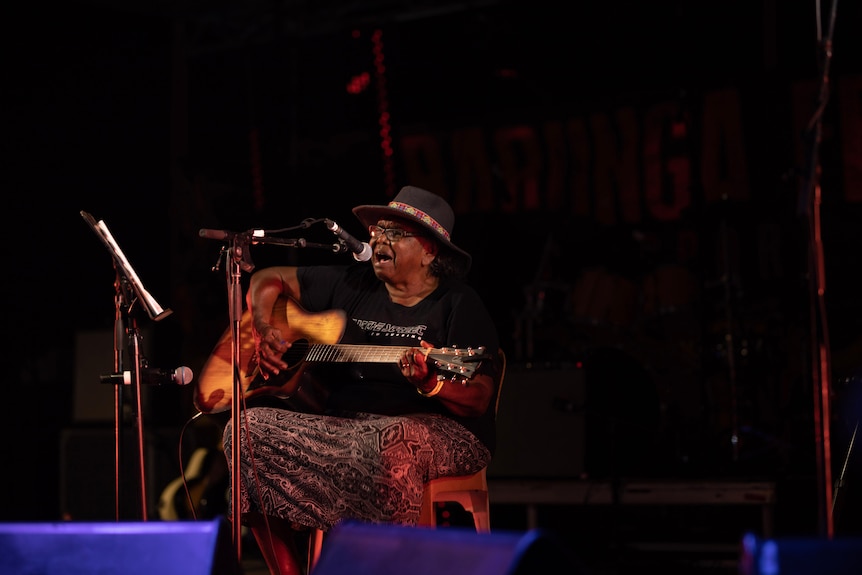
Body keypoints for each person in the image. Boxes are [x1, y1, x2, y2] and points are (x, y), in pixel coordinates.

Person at [223, 185, 501, 574]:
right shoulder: (353, 283)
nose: (379, 239)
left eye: (396, 233)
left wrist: (432, 383)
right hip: (347, 426)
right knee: (245, 430)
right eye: (378, 230)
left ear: (430, 251)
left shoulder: (458, 303)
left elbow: (480, 396)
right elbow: (267, 278)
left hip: (442, 430)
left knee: (392, 441)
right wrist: (266, 327)